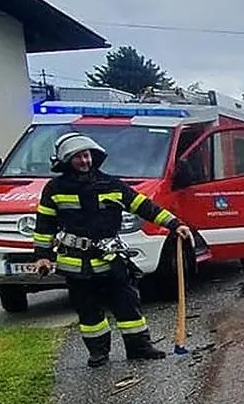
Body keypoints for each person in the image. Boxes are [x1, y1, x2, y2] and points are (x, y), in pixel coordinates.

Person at [32, 132, 194, 368]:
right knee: (89, 312)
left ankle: (139, 348)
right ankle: (99, 352)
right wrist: (42, 256)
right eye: (78, 157)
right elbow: (44, 224)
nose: (84, 161)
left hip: (111, 259)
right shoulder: (55, 189)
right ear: (66, 160)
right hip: (76, 262)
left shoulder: (111, 184)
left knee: (127, 303)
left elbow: (145, 207)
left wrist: (175, 224)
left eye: (87, 156)